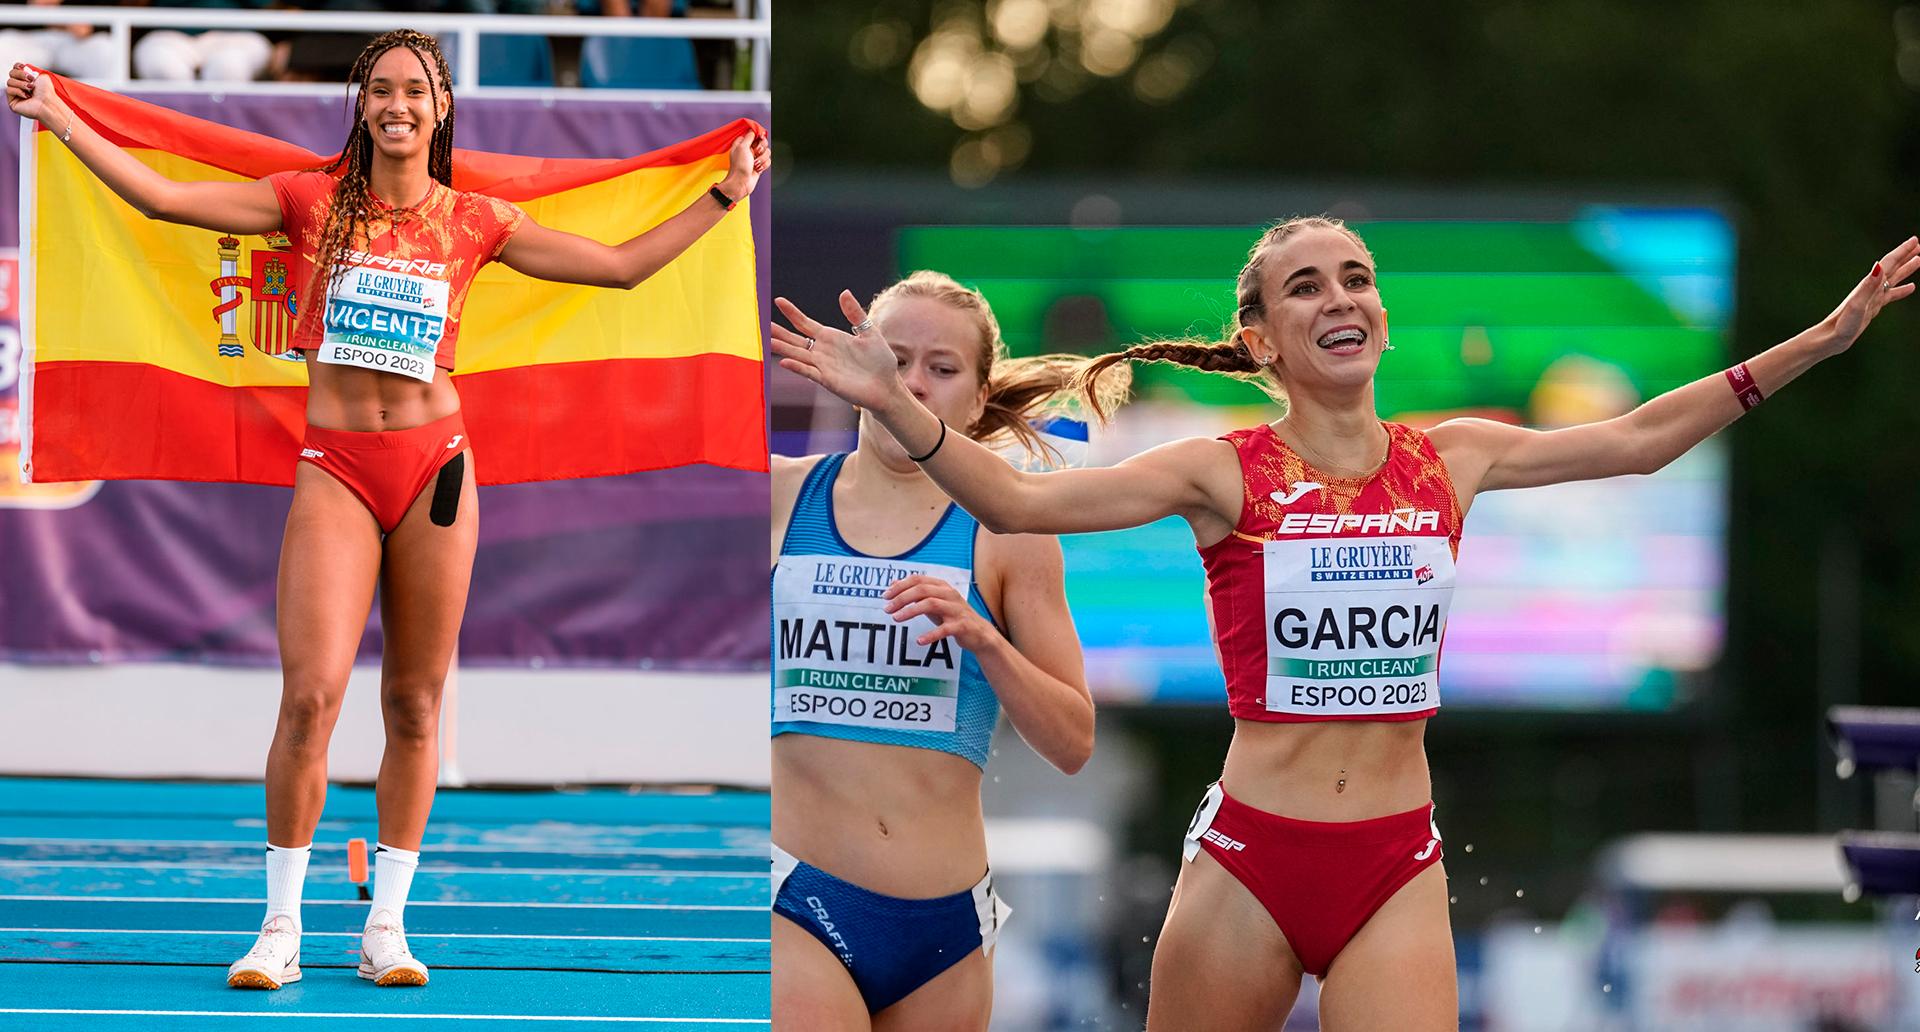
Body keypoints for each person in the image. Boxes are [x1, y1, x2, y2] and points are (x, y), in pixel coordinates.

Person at [771, 218, 1917, 1029]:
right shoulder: (1222, 471)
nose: (1341, 297)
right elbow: (1019, 500)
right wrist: (895, 408)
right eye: (1307, 285)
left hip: (1393, 859)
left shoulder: (1452, 456)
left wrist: (1815, 341)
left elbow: (1636, 438)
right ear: (1263, 338)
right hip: (1249, 859)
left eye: (1356, 277)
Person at [6, 28, 768, 990]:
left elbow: (615, 268)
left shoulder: (478, 220)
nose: (396, 104)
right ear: (360, 105)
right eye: (380, 89)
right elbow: (163, 197)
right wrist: (60, 117)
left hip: (436, 470)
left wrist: (726, 195)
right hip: (336, 468)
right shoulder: (306, 201)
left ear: (442, 107)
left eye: (415, 89)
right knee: (311, 697)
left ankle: (388, 929)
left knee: (414, 703)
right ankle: (280, 927)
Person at [769, 271, 1105, 1030]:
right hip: (795, 897)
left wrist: (987, 641)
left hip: (945, 931)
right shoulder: (779, 497)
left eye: (942, 369)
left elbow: (1073, 741)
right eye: (892, 359)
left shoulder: (1010, 532)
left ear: (980, 398)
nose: (908, 384)